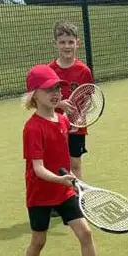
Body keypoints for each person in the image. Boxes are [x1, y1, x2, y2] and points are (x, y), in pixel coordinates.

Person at [20, 64, 117, 256]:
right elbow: (38, 168)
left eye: (57, 88)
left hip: (63, 191)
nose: (55, 93)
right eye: (48, 89)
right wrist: (62, 179)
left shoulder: (62, 120)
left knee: (85, 232)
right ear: (34, 95)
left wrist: (67, 181)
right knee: (39, 240)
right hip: (40, 193)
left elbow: (62, 150)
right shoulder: (32, 128)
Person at [48, 21, 94, 181]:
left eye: (70, 42)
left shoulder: (84, 71)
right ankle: (58, 200)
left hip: (76, 127)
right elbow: (42, 99)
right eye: (62, 42)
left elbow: (88, 98)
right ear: (55, 44)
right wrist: (59, 104)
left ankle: (77, 197)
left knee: (75, 163)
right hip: (54, 125)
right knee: (56, 164)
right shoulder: (50, 71)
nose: (67, 46)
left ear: (77, 43)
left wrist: (79, 118)